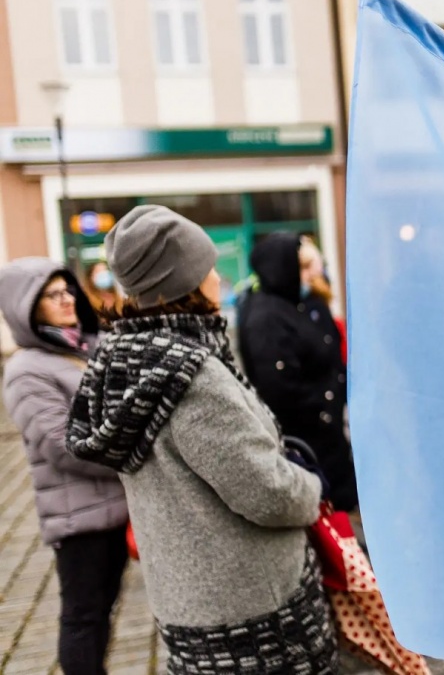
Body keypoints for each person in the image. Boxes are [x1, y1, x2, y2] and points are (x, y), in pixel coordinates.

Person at [64, 206, 338, 672]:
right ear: (184, 281)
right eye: (209, 267)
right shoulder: (191, 376)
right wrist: (311, 485)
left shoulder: (124, 359)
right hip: (253, 608)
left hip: (189, 600)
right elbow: (267, 493)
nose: (217, 277)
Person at [0, 258, 128, 675]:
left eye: (67, 290)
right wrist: (134, 452)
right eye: (52, 295)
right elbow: (65, 447)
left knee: (103, 611)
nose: (67, 299)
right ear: (26, 307)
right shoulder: (26, 370)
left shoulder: (84, 347)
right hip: (79, 522)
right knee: (83, 618)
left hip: (114, 510)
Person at [237, 233, 358, 511]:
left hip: (332, 437)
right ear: (283, 270)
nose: (312, 274)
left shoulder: (305, 303)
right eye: (302, 268)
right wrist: (325, 406)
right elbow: (278, 386)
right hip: (306, 442)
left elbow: (330, 354)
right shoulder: (265, 317)